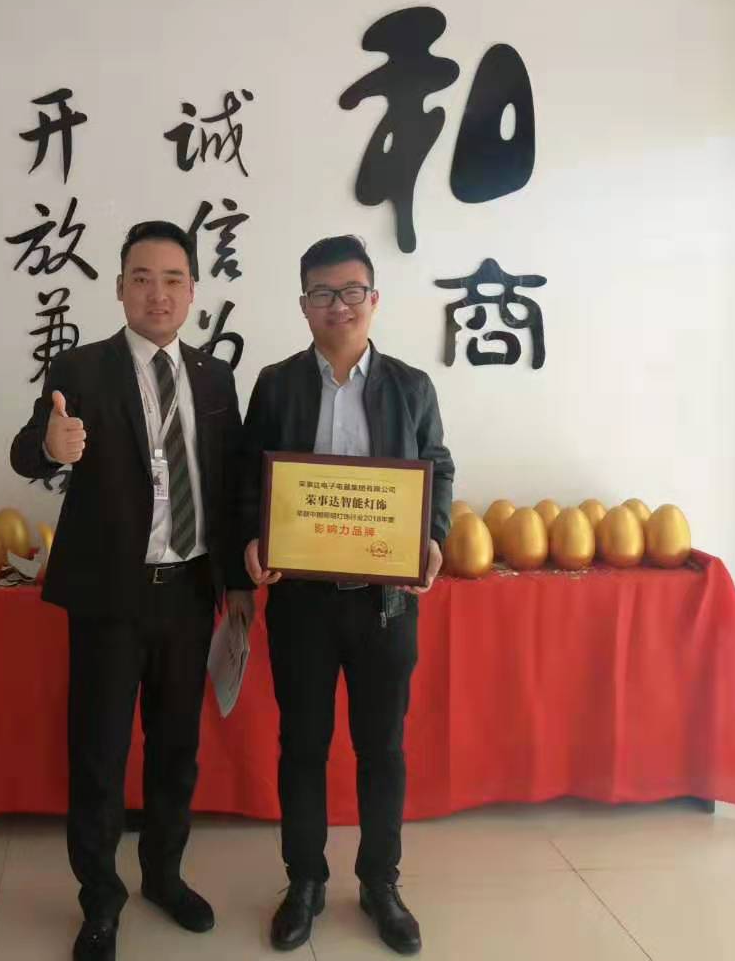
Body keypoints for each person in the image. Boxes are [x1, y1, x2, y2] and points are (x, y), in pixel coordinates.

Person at [11, 220, 254, 961]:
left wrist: (237, 584)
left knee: (177, 748)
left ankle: (163, 877)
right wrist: (49, 447)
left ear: (193, 291)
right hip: (110, 598)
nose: (158, 293)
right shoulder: (80, 368)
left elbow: (232, 484)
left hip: (189, 593)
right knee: (99, 753)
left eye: (173, 279)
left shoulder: (214, 377)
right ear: (119, 288)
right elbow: (27, 450)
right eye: (142, 279)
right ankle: (100, 901)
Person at [239, 234, 454, 956]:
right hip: (301, 603)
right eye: (323, 293)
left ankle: (380, 883)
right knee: (302, 745)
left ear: (374, 299)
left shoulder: (411, 387)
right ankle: (303, 881)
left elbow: (438, 469)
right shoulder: (276, 384)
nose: (339, 305)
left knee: (381, 748)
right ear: (304, 305)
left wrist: (433, 537)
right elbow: (248, 476)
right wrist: (252, 539)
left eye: (352, 291)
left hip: (383, 604)